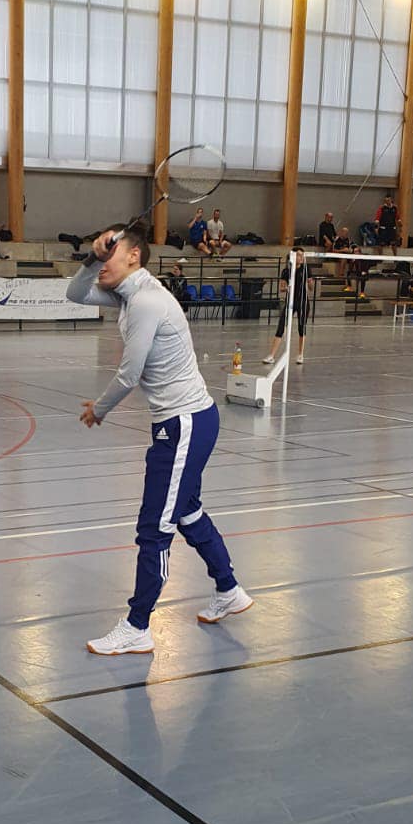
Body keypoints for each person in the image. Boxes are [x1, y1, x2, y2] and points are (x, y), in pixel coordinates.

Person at [69, 223, 251, 655]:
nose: (102, 259)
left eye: (111, 250)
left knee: (155, 527)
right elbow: (75, 294)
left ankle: (137, 626)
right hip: (186, 422)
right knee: (186, 511)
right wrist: (93, 255)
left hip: (184, 424)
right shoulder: (128, 295)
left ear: (134, 255)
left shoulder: (147, 301)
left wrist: (100, 409)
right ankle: (228, 589)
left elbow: (129, 373)